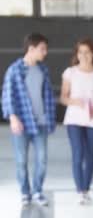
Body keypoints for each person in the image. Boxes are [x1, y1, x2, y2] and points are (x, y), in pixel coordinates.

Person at [2, 33, 56, 207]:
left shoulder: (43, 69)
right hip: (22, 123)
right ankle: (25, 192)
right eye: (42, 49)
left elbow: (46, 95)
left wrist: (49, 117)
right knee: (21, 160)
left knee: (42, 159)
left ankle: (38, 191)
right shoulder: (15, 70)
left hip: (40, 122)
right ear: (31, 49)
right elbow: (7, 96)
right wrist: (12, 118)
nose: (45, 52)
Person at [60, 38, 93, 205]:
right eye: (80, 52)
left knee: (90, 155)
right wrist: (76, 102)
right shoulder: (70, 72)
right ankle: (79, 190)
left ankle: (86, 190)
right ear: (77, 54)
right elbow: (63, 97)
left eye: (87, 52)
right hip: (73, 119)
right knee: (77, 154)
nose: (84, 55)